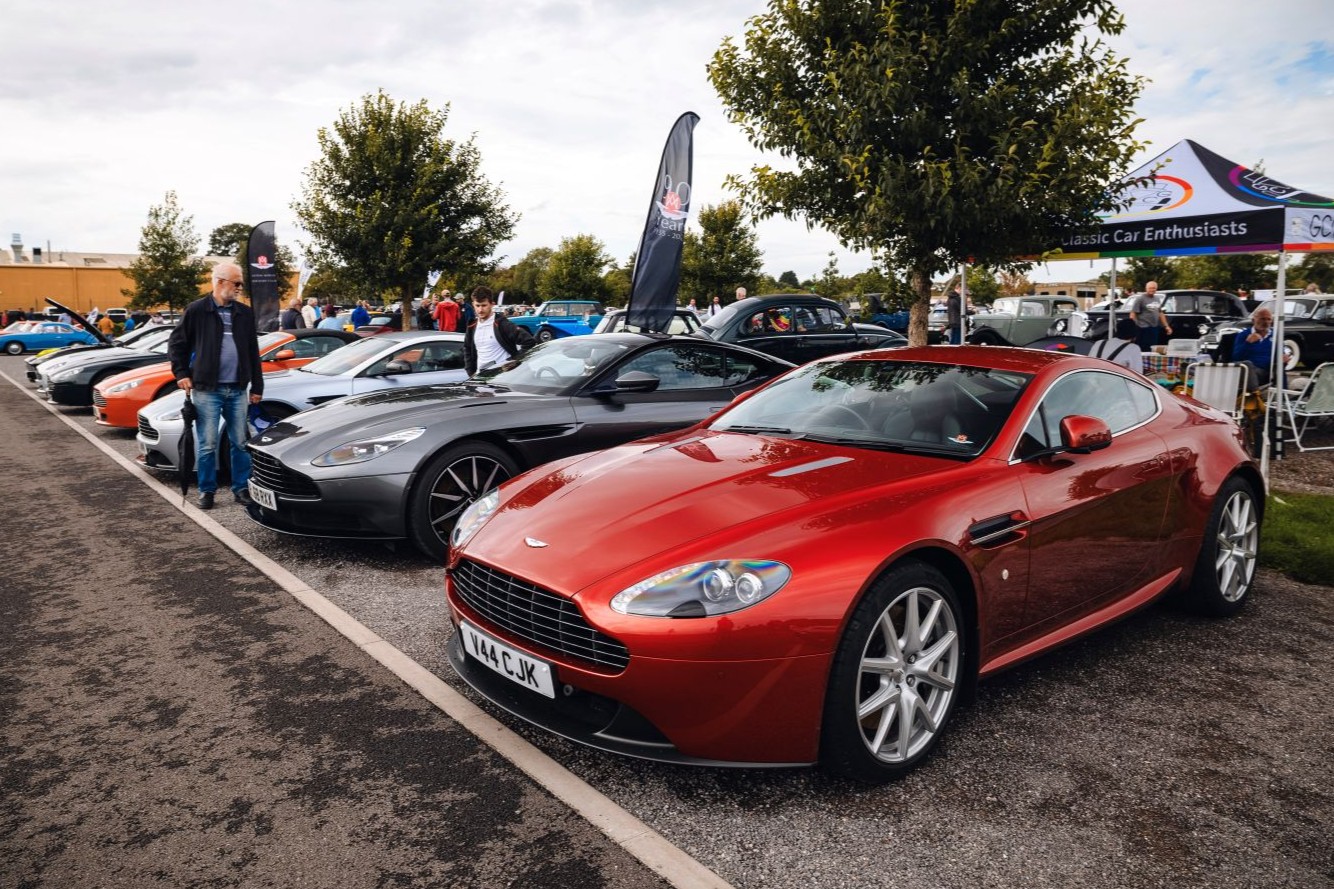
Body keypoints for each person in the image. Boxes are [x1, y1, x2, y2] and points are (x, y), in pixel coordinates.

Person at [167, 261, 264, 510]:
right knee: (208, 444)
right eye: (237, 283)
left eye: (241, 283)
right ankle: (206, 490)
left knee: (240, 442)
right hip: (206, 389)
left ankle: (241, 488)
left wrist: (257, 387)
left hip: (237, 389)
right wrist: (181, 373)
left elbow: (253, 351)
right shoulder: (197, 310)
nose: (240, 288)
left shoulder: (244, 313)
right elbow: (177, 344)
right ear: (220, 282)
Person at [464, 286, 535, 376]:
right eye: (477, 306)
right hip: (481, 378)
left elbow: (529, 341)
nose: (480, 310)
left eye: (484, 305)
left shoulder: (502, 324)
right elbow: (467, 348)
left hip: (503, 379)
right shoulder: (472, 326)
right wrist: (470, 372)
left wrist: (514, 361)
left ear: (492, 304)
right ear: (473, 304)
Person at [1231, 306, 1275, 391]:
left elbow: (1280, 357)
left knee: (1279, 366)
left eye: (1268, 319)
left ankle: (1282, 395)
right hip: (1248, 370)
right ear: (1253, 320)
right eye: (1262, 319)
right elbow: (1236, 357)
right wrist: (1248, 343)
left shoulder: (1275, 336)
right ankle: (1255, 394)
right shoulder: (1244, 335)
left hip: (1267, 370)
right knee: (1247, 365)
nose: (1265, 322)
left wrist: (1284, 359)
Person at [1128, 280, 1172, 350]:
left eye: (1154, 288)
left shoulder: (1157, 298)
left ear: (1156, 289)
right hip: (1143, 328)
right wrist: (1132, 327)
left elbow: (1160, 313)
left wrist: (1166, 326)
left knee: (1152, 348)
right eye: (1150, 288)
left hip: (1154, 328)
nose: (1152, 290)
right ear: (1146, 288)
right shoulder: (1140, 299)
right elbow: (1133, 313)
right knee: (1143, 349)